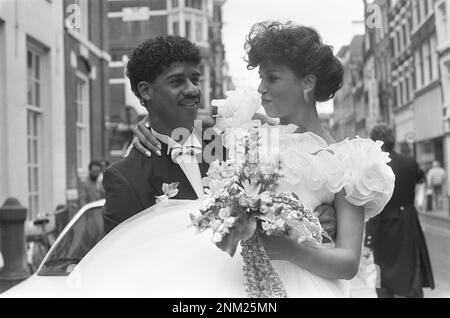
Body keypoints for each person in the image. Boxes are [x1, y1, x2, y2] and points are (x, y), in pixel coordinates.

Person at [72, 23, 394, 297]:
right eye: (261, 77)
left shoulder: (349, 161)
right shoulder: (246, 138)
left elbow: (349, 261)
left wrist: (298, 241)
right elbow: (179, 139)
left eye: (272, 78)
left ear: (307, 82)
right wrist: (143, 128)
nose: (260, 88)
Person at [365, 124, 434, 298]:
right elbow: (421, 179)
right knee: (411, 269)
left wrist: (368, 241)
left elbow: (372, 203)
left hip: (382, 227)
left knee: (380, 270)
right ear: (392, 139)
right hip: (408, 223)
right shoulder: (409, 161)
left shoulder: (373, 166)